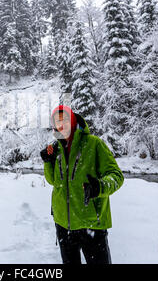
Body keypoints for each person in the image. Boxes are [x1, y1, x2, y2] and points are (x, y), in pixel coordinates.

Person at [40, 105, 124, 264]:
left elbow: (117, 176)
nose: (60, 125)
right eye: (56, 122)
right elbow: (53, 181)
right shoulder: (56, 148)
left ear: (72, 121)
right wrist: (48, 163)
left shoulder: (93, 144)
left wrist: (99, 187)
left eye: (64, 120)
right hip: (63, 225)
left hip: (90, 223)